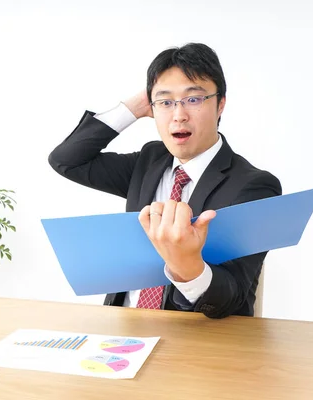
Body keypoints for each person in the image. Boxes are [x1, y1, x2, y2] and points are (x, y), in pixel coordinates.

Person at [48, 43, 282, 318]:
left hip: (195, 340)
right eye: (166, 102)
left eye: (193, 99)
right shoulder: (149, 160)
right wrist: (133, 108)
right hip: (122, 328)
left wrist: (187, 266)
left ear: (220, 104)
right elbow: (66, 160)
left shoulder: (254, 186)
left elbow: (234, 296)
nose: (179, 115)